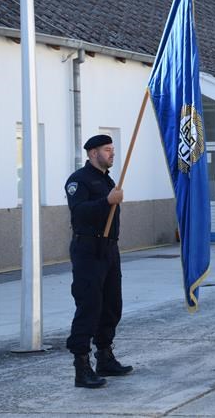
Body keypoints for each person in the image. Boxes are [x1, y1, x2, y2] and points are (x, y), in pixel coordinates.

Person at [65, 134, 132, 388]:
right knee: (89, 306)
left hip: (109, 249)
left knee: (112, 305)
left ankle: (105, 356)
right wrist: (107, 201)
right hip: (88, 250)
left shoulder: (107, 180)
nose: (112, 154)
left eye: (113, 149)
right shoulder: (78, 180)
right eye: (107, 150)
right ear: (93, 153)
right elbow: (79, 211)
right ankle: (82, 367)